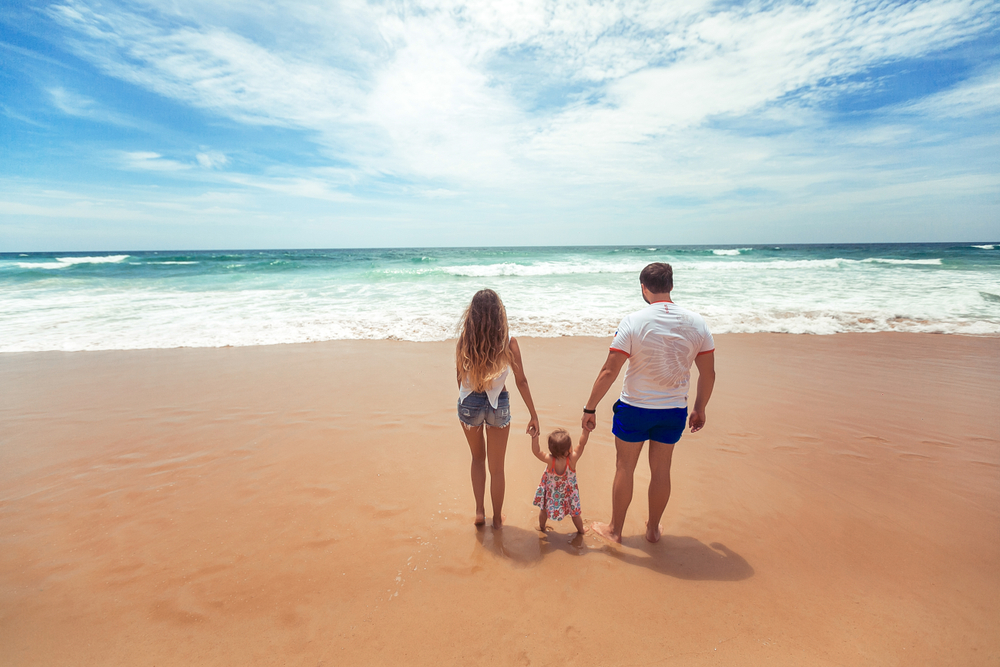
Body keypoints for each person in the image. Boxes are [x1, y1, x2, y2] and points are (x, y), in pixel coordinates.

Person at [582, 262, 716, 544]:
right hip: (673, 410)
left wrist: (590, 408)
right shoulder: (697, 323)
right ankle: (653, 530)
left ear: (643, 288)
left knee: (625, 467)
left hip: (635, 408)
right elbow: (708, 373)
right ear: (671, 286)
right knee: (661, 470)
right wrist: (699, 408)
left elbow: (609, 371)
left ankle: (615, 530)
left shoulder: (633, 321)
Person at [457, 289, 540, 529]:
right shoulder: (508, 343)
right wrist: (533, 414)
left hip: (470, 403)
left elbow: (459, 376)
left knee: (477, 458)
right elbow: (521, 381)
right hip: (498, 405)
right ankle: (496, 518)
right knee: (497, 468)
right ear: (499, 313)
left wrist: (466, 403)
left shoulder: (464, 340)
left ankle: (479, 511)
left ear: (472, 314)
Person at [531, 428, 589, 534]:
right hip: (568, 494)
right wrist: (586, 430)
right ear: (568, 451)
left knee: (543, 510)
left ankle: (542, 527)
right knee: (575, 513)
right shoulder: (572, 460)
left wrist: (534, 436)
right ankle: (581, 530)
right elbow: (582, 444)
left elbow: (537, 451)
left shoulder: (550, 460)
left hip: (551, 493)